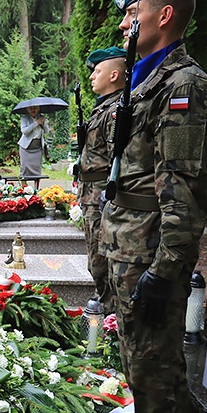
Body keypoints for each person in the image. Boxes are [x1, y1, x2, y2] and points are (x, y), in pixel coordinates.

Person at [97, 0, 207, 413]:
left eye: (134, 13)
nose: (126, 23)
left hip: (152, 249)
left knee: (157, 355)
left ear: (163, 15)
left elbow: (184, 194)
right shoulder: (147, 81)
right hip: (130, 242)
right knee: (138, 352)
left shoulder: (183, 88)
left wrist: (165, 270)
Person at [81, 47, 126, 313]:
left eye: (97, 71)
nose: (92, 77)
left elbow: (115, 160)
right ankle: (108, 311)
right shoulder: (102, 109)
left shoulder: (116, 111)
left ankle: (110, 316)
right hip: (90, 194)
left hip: (101, 198)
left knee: (101, 262)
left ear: (114, 75)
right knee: (95, 260)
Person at [18, 105, 50, 189]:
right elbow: (25, 131)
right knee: (24, 168)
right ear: (27, 109)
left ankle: (36, 189)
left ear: (38, 109)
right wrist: (36, 123)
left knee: (37, 169)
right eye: (31, 108)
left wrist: (43, 123)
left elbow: (47, 131)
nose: (33, 110)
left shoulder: (41, 118)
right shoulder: (24, 119)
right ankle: (24, 189)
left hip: (38, 148)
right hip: (26, 148)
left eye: (35, 108)